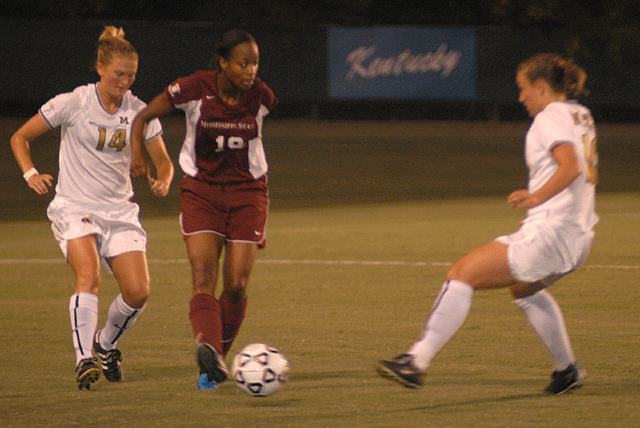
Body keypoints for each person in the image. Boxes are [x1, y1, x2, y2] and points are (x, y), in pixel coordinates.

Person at [377, 53, 598, 395]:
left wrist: (534, 197)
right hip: (579, 236)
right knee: (524, 289)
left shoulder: (548, 118)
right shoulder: (579, 113)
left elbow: (570, 167)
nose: (520, 96)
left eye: (523, 89)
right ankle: (566, 370)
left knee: (462, 273)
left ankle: (416, 362)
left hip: (552, 233)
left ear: (541, 88)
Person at [10, 26, 174, 390]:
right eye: (119, 73)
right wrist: (31, 173)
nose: (126, 81)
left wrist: (162, 178)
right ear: (100, 67)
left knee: (138, 292)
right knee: (90, 275)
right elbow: (19, 137)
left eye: (131, 75)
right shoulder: (74, 102)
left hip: (119, 212)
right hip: (75, 207)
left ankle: (105, 343)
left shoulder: (138, 111)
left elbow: (163, 160)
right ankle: (84, 357)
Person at [130, 29, 278, 389]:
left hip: (248, 194)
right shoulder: (194, 87)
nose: (250, 70)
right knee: (202, 278)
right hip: (202, 192)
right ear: (223, 63)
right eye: (243, 63)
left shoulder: (262, 97)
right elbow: (143, 116)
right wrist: (137, 154)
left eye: (255, 63)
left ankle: (218, 359)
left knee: (237, 286)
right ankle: (207, 349)